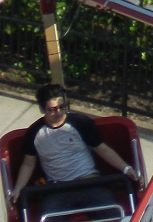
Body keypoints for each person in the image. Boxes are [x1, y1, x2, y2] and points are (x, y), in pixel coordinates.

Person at [9, 84, 139, 218]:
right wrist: (18, 189)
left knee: (113, 213)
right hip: (58, 189)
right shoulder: (34, 133)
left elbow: (102, 149)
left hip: (89, 183)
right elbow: (28, 164)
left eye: (62, 107)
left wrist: (126, 169)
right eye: (52, 109)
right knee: (47, 217)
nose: (58, 112)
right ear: (42, 109)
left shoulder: (80, 123)